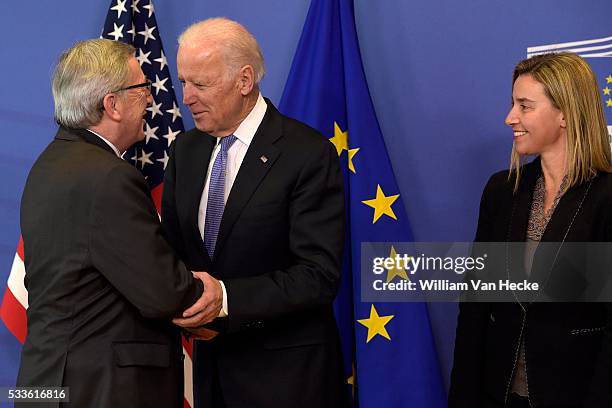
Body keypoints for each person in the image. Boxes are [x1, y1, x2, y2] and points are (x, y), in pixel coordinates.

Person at [161, 18, 347, 407]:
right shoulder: (186, 151)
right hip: (211, 374)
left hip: (288, 379)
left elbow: (318, 275)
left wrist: (226, 299)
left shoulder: (307, 153)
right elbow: (174, 252)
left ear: (245, 81)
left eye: (201, 84)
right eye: (183, 83)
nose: (187, 97)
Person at [17, 39, 211, 408]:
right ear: (112, 104)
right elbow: (163, 292)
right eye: (142, 89)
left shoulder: (48, 166)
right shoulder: (109, 178)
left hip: (45, 384)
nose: (152, 100)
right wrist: (218, 298)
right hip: (98, 390)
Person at [449, 53, 612, 407]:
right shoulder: (502, 190)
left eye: (524, 106)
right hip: (499, 395)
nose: (510, 118)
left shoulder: (606, 197)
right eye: (512, 104)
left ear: (566, 112)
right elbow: (476, 302)